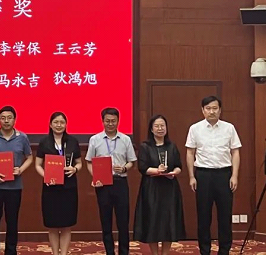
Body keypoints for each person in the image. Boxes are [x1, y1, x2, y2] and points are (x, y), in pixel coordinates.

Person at [186, 96, 242, 255]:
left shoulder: (229, 128)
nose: (212, 111)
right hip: (203, 175)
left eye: (215, 108)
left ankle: (224, 250)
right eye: (208, 108)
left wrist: (234, 175)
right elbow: (190, 153)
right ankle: (205, 250)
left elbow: (235, 152)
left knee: (225, 216)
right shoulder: (195, 128)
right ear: (203, 110)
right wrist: (191, 176)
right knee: (203, 216)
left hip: (224, 175)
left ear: (220, 110)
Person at [85, 107, 137, 255]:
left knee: (123, 222)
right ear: (102, 121)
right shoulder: (95, 139)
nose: (110, 124)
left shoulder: (126, 139)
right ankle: (109, 252)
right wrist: (95, 177)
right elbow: (89, 162)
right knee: (105, 221)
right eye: (107, 121)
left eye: (113, 121)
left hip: (120, 182)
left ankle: (124, 252)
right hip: (103, 184)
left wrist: (125, 168)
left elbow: (132, 161)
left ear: (118, 121)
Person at [0, 106, 33, 255]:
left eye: (9, 118)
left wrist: (20, 170)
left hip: (14, 187)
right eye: (3, 118)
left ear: (14, 120)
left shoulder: (22, 137)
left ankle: (11, 251)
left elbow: (30, 157)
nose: (6, 121)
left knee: (12, 222)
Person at [133, 115, 185, 255]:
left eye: (162, 125)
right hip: (151, 188)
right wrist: (157, 171)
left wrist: (174, 172)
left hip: (169, 188)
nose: (160, 128)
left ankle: (165, 253)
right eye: (156, 126)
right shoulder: (145, 146)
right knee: (153, 221)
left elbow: (179, 166)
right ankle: (155, 253)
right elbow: (142, 168)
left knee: (169, 222)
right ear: (151, 129)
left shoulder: (172, 146)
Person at [34, 112, 82, 255]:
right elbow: (37, 165)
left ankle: (64, 253)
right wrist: (46, 176)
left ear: (66, 124)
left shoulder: (73, 141)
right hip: (51, 188)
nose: (59, 125)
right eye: (56, 122)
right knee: (52, 225)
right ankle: (55, 253)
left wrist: (74, 169)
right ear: (50, 124)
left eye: (62, 122)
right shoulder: (44, 142)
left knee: (67, 224)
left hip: (69, 187)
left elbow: (79, 163)